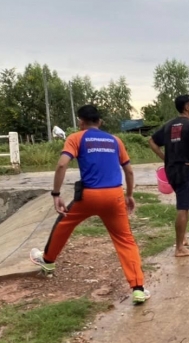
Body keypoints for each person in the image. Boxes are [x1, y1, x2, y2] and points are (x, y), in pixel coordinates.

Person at [29, 105, 150, 304]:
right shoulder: (115, 140)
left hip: (88, 196)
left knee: (64, 222)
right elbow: (128, 171)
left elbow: (62, 164)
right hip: (114, 196)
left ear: (81, 122)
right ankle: (138, 288)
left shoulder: (76, 138)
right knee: (125, 240)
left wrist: (56, 194)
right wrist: (129, 195)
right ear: (100, 122)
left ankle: (48, 260)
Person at [148, 95, 189, 257]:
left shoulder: (169, 125)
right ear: (186, 107)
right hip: (185, 169)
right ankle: (179, 248)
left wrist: (165, 158)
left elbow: (151, 141)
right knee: (183, 207)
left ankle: (183, 238)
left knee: (185, 205)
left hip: (171, 170)